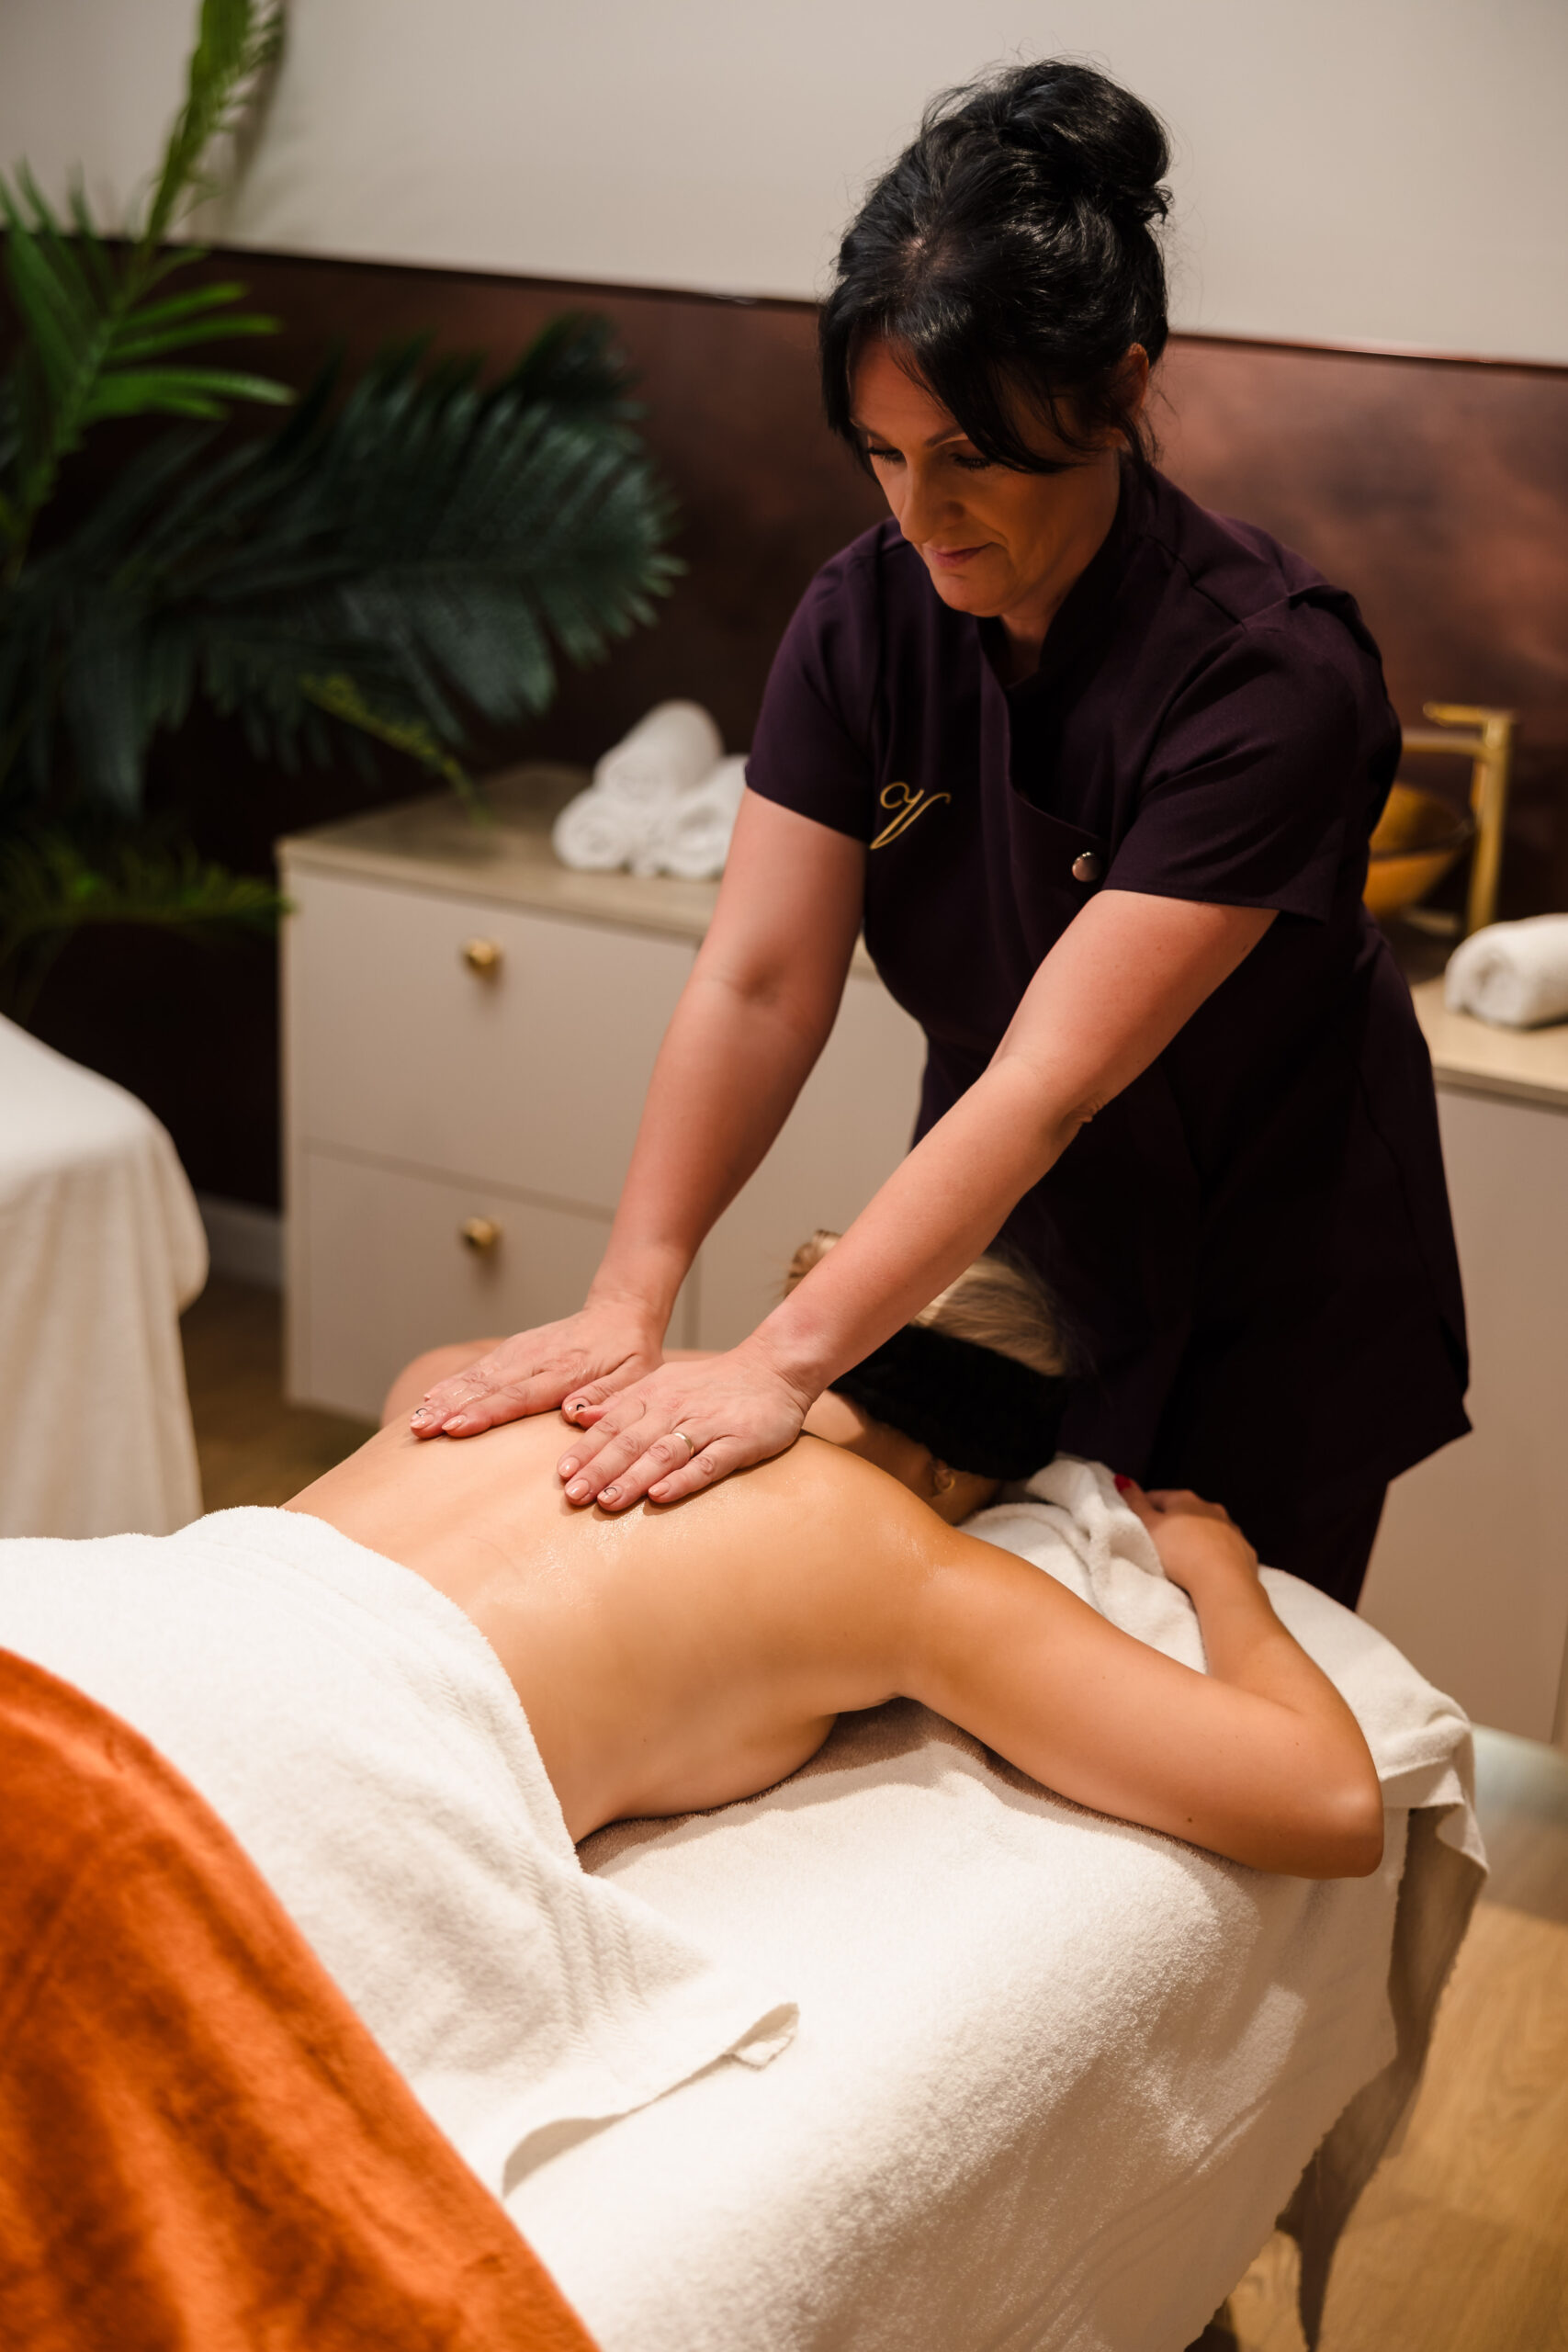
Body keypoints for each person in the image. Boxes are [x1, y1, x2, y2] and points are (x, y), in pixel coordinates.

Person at [409, 59, 1467, 1608]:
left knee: (1217, 1684)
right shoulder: (863, 619)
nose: (920, 516)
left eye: (969, 456)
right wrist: (628, 1296)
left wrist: (774, 1361)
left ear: (1116, 388)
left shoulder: (1271, 677)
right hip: (1010, 1241)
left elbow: (1049, 1079)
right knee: (939, 1632)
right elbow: (760, 979)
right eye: (882, 455)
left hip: (1270, 1271)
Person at [294, 1242, 1382, 1876]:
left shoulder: (498, 1376)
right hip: (325, 1815)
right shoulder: (885, 1546)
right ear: (959, 1478)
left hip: (149, 1637)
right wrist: (1217, 1567)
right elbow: (1330, 1806)